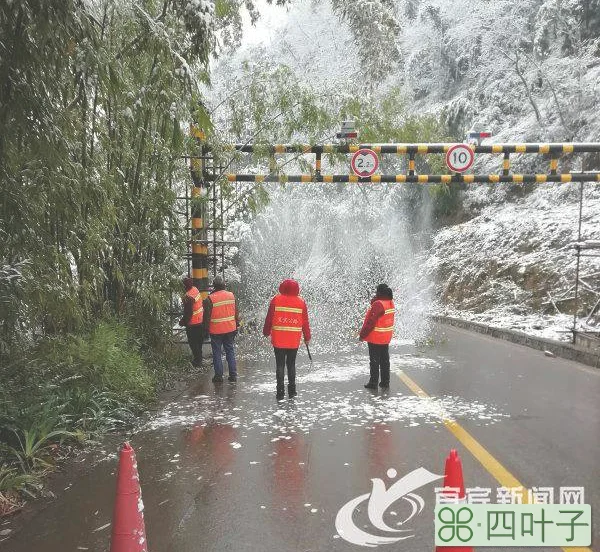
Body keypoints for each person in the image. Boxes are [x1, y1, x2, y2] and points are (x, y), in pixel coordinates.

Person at [263, 279, 311, 401]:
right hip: (293, 339)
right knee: (291, 364)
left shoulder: (276, 300)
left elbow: (269, 318)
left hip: (279, 338)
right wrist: (307, 337)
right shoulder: (301, 302)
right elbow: (305, 322)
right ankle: (292, 391)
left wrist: (266, 332)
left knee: (280, 365)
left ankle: (280, 392)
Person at [203, 275, 239, 383]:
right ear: (224, 285)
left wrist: (205, 330)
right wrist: (237, 324)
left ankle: (218, 376)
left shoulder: (210, 299)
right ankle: (233, 375)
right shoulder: (231, 295)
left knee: (217, 352)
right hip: (230, 328)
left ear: (214, 286)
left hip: (216, 330)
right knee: (230, 350)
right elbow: (236, 312)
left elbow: (206, 317)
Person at [359, 283, 395, 389]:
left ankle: (373, 382)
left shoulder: (378, 304)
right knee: (385, 360)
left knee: (374, 361)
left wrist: (362, 335)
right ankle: (385, 381)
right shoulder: (390, 302)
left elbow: (370, 322)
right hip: (386, 336)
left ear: (379, 292)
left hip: (376, 337)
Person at [179, 277, 204, 367]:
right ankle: (200, 359)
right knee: (199, 342)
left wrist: (183, 321)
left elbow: (188, 312)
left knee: (193, 344)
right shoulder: (195, 289)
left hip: (192, 323)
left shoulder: (188, 297)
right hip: (200, 321)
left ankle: (197, 362)